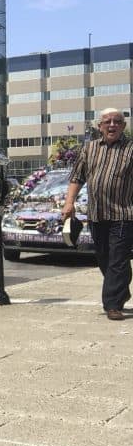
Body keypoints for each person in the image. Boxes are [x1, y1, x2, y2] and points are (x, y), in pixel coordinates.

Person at [61, 108, 133, 321]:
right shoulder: (89, 149)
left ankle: (112, 304)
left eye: (117, 121)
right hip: (96, 215)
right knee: (105, 258)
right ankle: (121, 290)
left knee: (117, 260)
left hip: (123, 214)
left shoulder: (130, 149)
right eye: (107, 121)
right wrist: (69, 203)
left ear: (123, 126)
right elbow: (76, 178)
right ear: (99, 126)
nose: (112, 125)